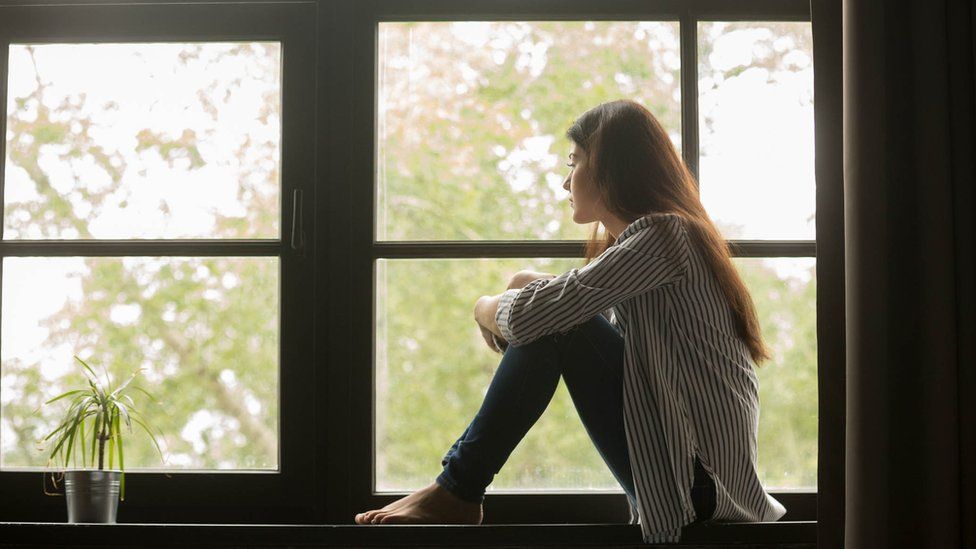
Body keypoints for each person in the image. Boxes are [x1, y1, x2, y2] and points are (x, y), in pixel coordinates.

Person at [354, 99, 787, 543]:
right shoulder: (664, 243)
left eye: (574, 162)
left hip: (700, 492)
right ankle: (456, 489)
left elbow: (538, 317)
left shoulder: (665, 235)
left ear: (611, 167)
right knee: (554, 315)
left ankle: (458, 490)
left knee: (558, 322)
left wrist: (484, 306)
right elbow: (570, 311)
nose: (565, 181)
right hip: (691, 485)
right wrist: (524, 285)